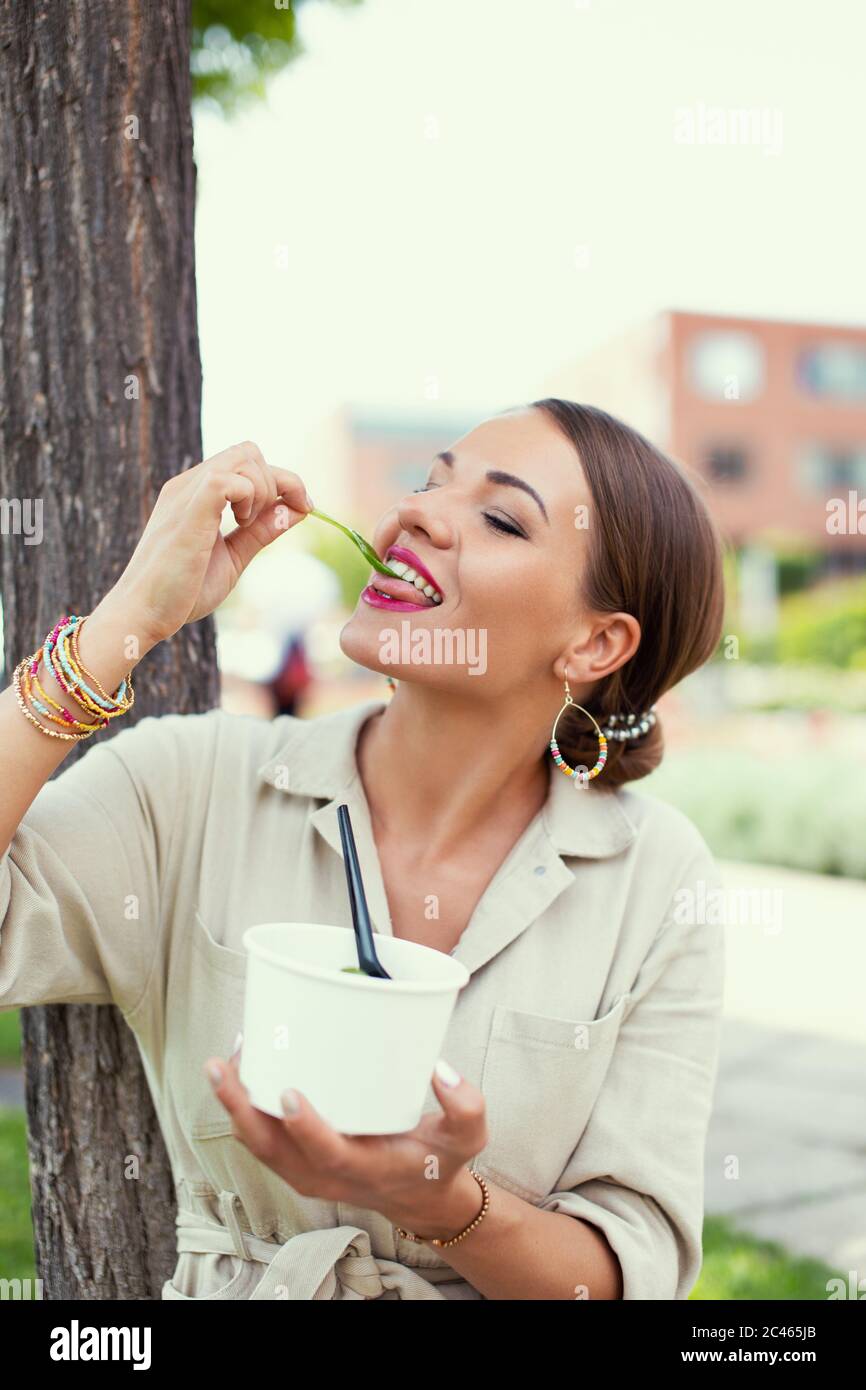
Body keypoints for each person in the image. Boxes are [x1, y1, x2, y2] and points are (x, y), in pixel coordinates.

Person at [0, 399, 726, 1300]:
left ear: (596, 642)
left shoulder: (657, 878)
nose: (416, 513)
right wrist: (128, 622)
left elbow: (627, 1273)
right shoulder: (193, 783)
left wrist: (440, 1202)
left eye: (501, 519)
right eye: (430, 482)